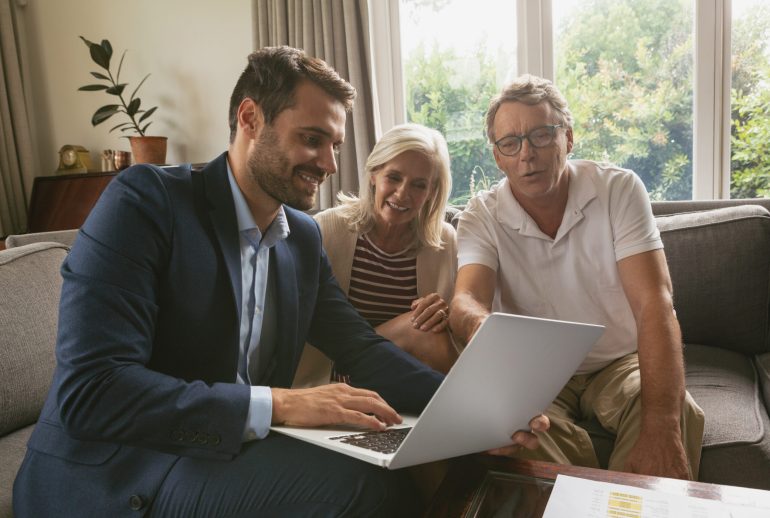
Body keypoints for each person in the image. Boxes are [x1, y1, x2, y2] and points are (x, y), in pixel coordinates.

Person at [13, 47, 547, 517]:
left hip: (222, 448)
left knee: (404, 471)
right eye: (312, 140)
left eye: (335, 145)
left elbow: (361, 348)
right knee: (367, 492)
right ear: (250, 118)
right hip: (120, 466)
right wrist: (280, 403)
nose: (329, 163)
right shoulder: (146, 202)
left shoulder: (299, 239)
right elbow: (93, 391)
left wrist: (481, 413)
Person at [449, 74, 705, 480]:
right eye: (510, 143)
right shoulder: (480, 214)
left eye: (541, 135)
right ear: (497, 157)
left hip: (620, 362)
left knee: (676, 413)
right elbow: (466, 300)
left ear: (568, 138)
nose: (526, 154)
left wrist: (662, 427)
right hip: (535, 366)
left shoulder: (619, 189)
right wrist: (480, 323)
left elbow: (654, 304)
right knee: (504, 430)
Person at [293, 123, 458, 389]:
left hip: (405, 377)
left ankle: (471, 410)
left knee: (430, 330)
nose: (403, 194)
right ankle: (471, 407)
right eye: (393, 177)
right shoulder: (326, 230)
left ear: (431, 192)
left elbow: (449, 336)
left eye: (419, 185)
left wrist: (443, 315)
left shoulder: (444, 242)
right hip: (333, 376)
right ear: (373, 174)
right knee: (420, 330)